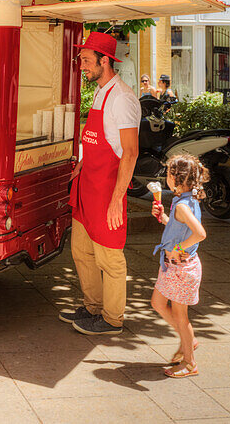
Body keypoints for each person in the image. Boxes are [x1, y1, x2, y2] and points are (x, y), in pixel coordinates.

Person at [61, 32, 141, 336]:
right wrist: (81, 165)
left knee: (109, 256)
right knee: (81, 250)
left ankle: (111, 318)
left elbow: (129, 152)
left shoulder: (121, 98)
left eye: (85, 60)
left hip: (107, 190)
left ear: (104, 60)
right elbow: (99, 140)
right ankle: (92, 306)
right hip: (87, 185)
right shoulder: (100, 91)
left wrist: (117, 200)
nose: (81, 65)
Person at [150, 154, 208, 379]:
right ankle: (188, 341)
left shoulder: (183, 205)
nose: (166, 178)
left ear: (176, 178)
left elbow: (200, 234)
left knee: (181, 317)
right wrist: (165, 218)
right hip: (172, 267)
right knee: (157, 303)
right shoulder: (183, 200)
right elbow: (181, 228)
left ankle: (189, 362)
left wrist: (180, 249)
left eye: (168, 174)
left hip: (180, 268)